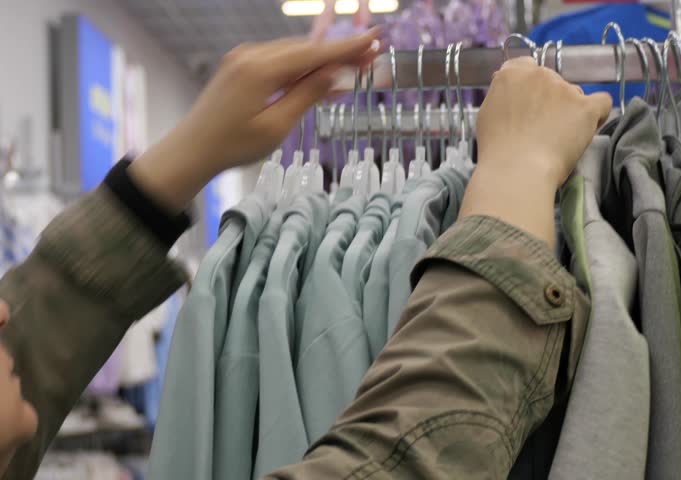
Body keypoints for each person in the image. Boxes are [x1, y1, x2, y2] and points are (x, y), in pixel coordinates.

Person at [0, 28, 610, 479]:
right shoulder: (289, 286)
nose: (3, 315)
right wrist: (515, 184)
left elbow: (34, 337)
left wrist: (175, 166)